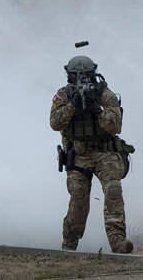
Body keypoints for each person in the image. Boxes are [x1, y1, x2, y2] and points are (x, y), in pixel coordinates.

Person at [51, 55, 135, 253]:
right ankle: (69, 244)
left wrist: (96, 108)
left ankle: (118, 243)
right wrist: (73, 105)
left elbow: (115, 126)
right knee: (78, 199)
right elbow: (55, 123)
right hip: (78, 155)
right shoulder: (63, 95)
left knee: (113, 190)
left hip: (105, 152)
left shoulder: (104, 93)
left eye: (85, 76)